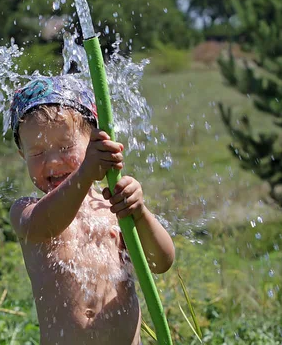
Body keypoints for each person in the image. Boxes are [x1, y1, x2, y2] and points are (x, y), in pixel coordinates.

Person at [9, 76, 175, 345]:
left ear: (93, 144)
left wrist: (140, 213)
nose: (52, 162)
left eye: (65, 147)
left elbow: (160, 262)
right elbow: (42, 227)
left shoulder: (113, 207)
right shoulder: (27, 211)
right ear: (22, 155)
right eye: (37, 153)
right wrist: (85, 173)